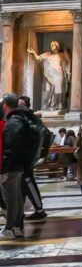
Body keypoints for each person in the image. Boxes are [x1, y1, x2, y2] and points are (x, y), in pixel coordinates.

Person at [1, 93, 33, 239]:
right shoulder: (21, 120)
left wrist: (4, 167)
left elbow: (10, 147)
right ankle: (16, 227)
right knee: (17, 197)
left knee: (11, 198)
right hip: (19, 164)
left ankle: (9, 228)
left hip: (12, 166)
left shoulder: (12, 123)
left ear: (5, 105)